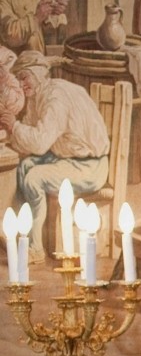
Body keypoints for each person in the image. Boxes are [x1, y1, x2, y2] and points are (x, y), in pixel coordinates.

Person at [3, 52, 109, 259]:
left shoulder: (56, 98)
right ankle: (23, 235)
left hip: (90, 166)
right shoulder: (38, 95)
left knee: (34, 179)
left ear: (38, 73)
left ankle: (35, 249)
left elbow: (39, 143)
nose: (21, 84)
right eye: (18, 79)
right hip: (67, 159)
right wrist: (12, 131)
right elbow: (29, 141)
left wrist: (14, 127)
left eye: (24, 77)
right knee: (24, 167)